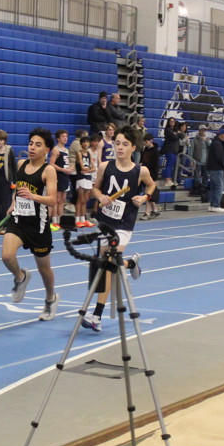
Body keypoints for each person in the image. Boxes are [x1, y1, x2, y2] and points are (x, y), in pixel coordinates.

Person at [81, 126, 154, 333]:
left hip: (124, 223)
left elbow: (151, 185)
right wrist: (100, 196)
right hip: (105, 221)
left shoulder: (140, 170)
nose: (120, 147)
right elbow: (95, 189)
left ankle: (97, 315)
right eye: (117, 143)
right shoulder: (105, 166)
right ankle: (131, 263)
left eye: (125, 144)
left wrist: (143, 197)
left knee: (109, 261)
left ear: (133, 147)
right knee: (105, 264)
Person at [1, 127, 59, 322]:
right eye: (31, 143)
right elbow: (18, 189)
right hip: (19, 220)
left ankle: (50, 298)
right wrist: (13, 203)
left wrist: (33, 196)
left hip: (38, 226)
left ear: (46, 150)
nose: (32, 147)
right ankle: (21, 277)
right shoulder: (21, 164)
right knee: (7, 256)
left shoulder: (48, 170)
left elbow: (52, 200)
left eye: (38, 145)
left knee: (44, 269)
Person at [48, 129, 73, 231]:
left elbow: (67, 163)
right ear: (58, 138)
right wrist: (63, 170)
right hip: (58, 176)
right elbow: (51, 164)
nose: (65, 138)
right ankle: (54, 221)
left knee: (63, 199)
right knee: (57, 199)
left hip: (65, 176)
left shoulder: (66, 150)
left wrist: (70, 168)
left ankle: (60, 220)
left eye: (66, 136)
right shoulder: (56, 149)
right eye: (63, 136)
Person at [74, 134, 96, 228]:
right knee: (80, 199)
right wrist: (88, 169)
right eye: (84, 142)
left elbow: (94, 168)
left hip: (88, 177)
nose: (86, 144)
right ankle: (77, 219)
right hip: (81, 177)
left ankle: (83, 219)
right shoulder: (79, 153)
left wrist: (88, 170)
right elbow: (82, 167)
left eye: (87, 142)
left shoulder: (89, 154)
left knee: (86, 200)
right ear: (81, 144)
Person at [206, 126, 224, 212]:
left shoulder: (214, 143)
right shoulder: (218, 144)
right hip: (217, 168)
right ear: (222, 135)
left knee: (213, 187)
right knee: (218, 187)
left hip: (212, 168)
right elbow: (219, 157)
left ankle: (212, 205)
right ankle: (216, 205)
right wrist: (223, 165)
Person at [139, 132, 160, 219]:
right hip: (145, 173)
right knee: (149, 193)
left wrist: (154, 178)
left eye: (146, 141)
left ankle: (147, 213)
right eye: (144, 141)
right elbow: (143, 159)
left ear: (151, 141)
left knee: (147, 193)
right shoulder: (145, 149)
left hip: (151, 174)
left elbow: (156, 165)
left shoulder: (155, 151)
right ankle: (155, 210)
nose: (144, 143)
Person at [190, 126, 210, 196]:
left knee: (206, 175)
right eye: (202, 130)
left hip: (206, 161)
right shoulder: (195, 140)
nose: (203, 131)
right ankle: (197, 188)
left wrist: (206, 140)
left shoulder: (208, 139)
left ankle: (204, 188)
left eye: (204, 130)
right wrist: (191, 160)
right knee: (197, 176)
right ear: (199, 131)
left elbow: (211, 146)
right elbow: (191, 150)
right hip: (197, 161)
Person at [160, 116, 180, 187]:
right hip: (170, 150)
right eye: (171, 121)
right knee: (169, 165)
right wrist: (177, 134)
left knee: (171, 165)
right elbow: (174, 137)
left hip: (174, 150)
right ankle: (167, 180)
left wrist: (177, 133)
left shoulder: (174, 130)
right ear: (168, 122)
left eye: (173, 121)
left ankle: (170, 179)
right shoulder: (167, 129)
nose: (172, 122)